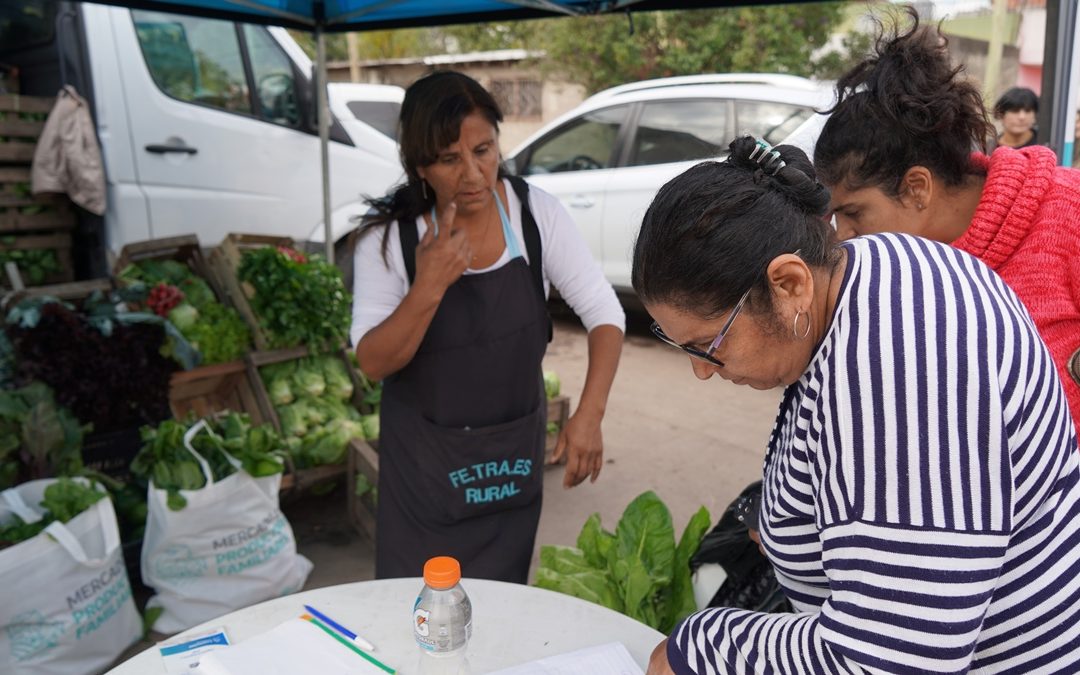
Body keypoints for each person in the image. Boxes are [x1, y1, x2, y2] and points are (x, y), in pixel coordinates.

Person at [635, 136, 1080, 674]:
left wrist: (703, 646)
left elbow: (897, 657)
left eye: (710, 344)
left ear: (789, 282)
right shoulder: (869, 267)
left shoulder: (903, 360)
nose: (702, 369)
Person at [351, 71, 624, 583]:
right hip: (423, 477)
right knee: (419, 614)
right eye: (450, 160)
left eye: (483, 150)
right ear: (420, 166)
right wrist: (428, 285)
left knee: (503, 612)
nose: (473, 174)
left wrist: (589, 414)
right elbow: (373, 362)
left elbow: (604, 313)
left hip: (508, 468)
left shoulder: (535, 215)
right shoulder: (389, 243)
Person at [813, 11, 1080, 433]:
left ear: (917, 188)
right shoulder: (888, 275)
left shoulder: (1068, 213)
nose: (842, 235)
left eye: (853, 213)